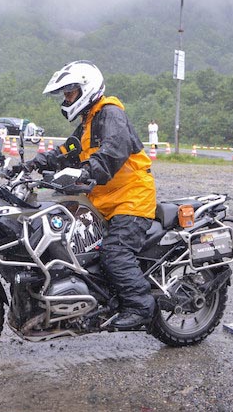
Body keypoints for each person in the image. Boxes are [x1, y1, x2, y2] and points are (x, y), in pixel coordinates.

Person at [28, 60, 157, 330]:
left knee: (115, 253)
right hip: (103, 200)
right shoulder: (89, 121)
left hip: (131, 197)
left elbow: (113, 150)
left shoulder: (111, 113)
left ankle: (140, 306)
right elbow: (67, 151)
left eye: (70, 93)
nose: (66, 99)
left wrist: (86, 171)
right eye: (64, 94)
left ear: (85, 89)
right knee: (74, 244)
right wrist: (34, 164)